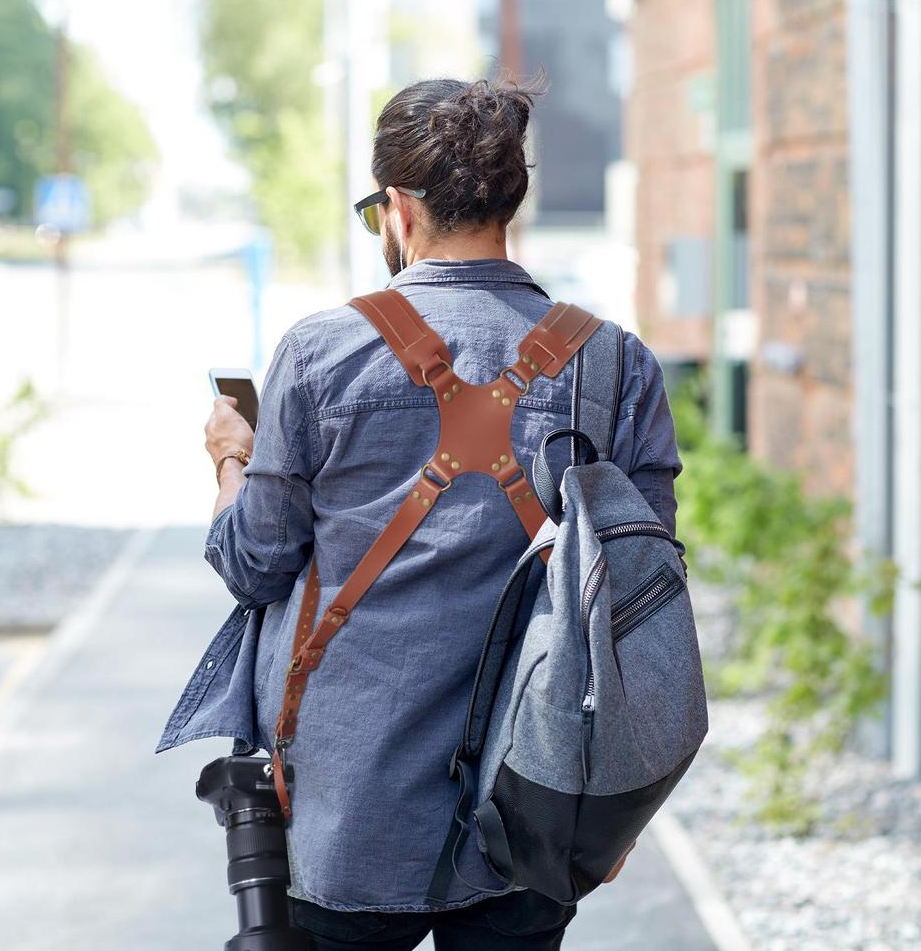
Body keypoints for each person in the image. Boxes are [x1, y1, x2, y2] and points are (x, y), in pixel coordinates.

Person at [199, 75, 684, 950]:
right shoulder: (616, 365)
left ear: (397, 209)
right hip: (536, 797)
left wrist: (232, 456)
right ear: (511, 203)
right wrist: (621, 810)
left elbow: (252, 564)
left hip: (348, 801)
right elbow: (642, 608)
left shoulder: (321, 353)